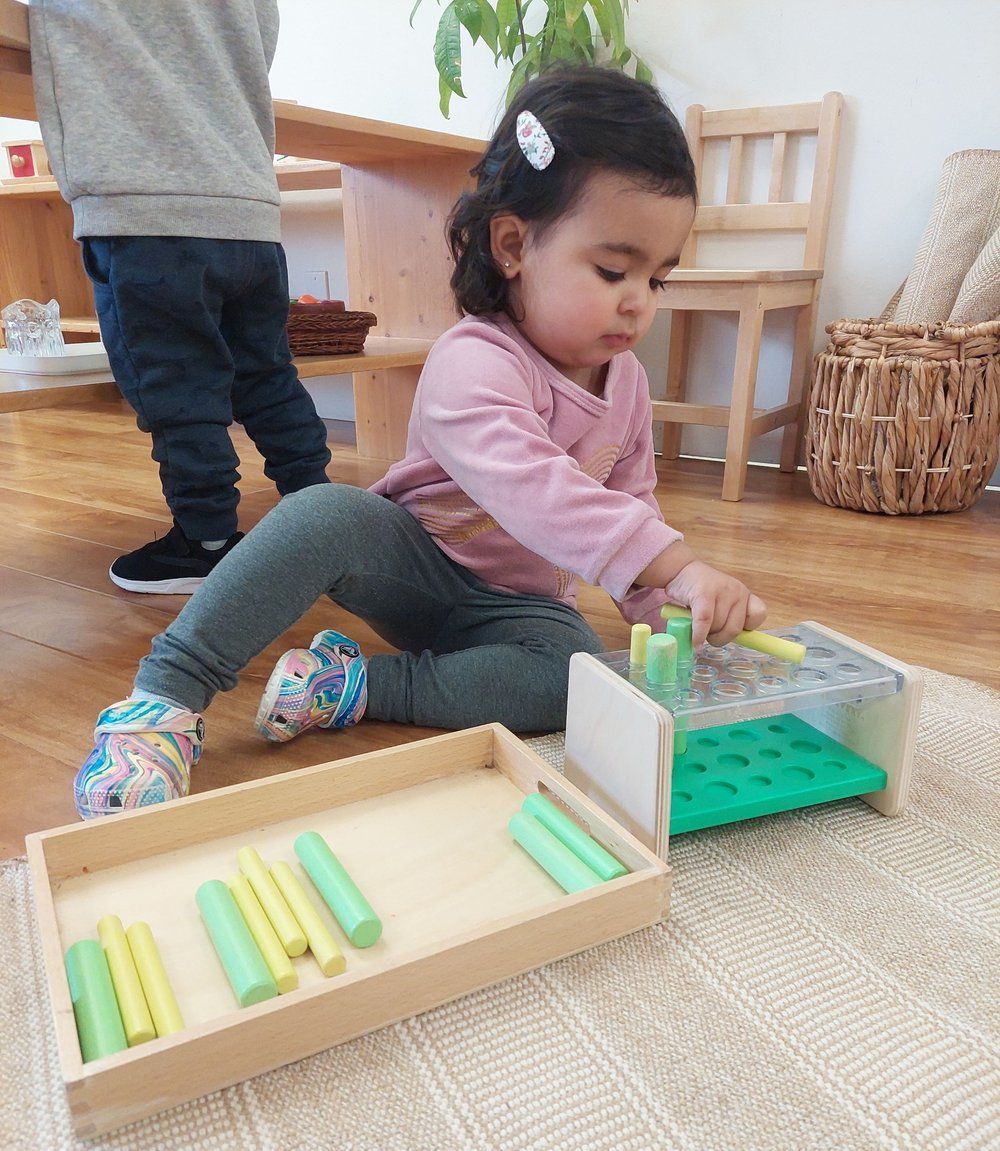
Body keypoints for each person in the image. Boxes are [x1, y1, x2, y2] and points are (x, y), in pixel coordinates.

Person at [73, 65, 766, 818]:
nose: (637, 301)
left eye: (657, 279)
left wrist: (667, 609)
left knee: (576, 671)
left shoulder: (625, 382)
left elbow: (630, 502)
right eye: (611, 269)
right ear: (512, 245)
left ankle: (355, 685)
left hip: (519, 604)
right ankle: (163, 701)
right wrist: (685, 562)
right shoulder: (472, 361)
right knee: (322, 511)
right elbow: (537, 488)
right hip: (418, 567)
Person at [29, 0, 332, 593]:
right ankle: (322, 512)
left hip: (146, 205)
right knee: (268, 376)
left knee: (179, 391)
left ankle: (208, 541)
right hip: (246, 206)